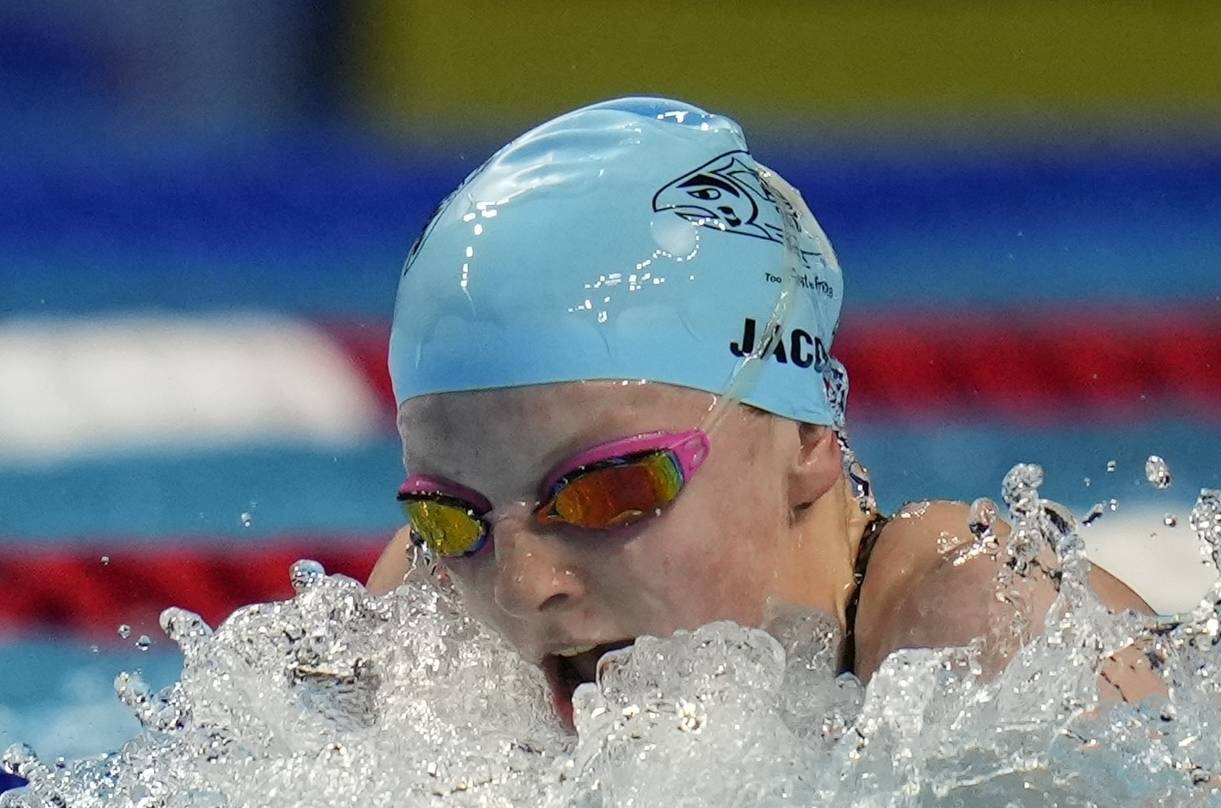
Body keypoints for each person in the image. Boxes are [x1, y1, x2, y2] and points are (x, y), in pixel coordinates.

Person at [368, 97, 1157, 727]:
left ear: (809, 438)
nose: (518, 585)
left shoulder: (997, 638)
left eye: (601, 492)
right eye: (451, 520)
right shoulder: (432, 626)